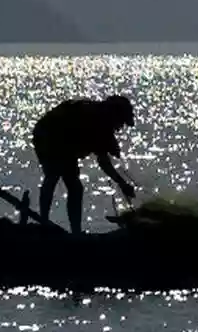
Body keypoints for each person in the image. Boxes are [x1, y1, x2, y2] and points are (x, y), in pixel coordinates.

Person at [32, 95, 137, 234]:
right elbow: (104, 162)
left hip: (65, 143)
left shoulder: (102, 121)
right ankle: (44, 222)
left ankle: (75, 231)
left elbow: (104, 153)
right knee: (54, 175)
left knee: (75, 188)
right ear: (114, 114)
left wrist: (121, 182)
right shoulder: (96, 120)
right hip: (49, 135)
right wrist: (122, 183)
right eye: (121, 122)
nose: (120, 127)